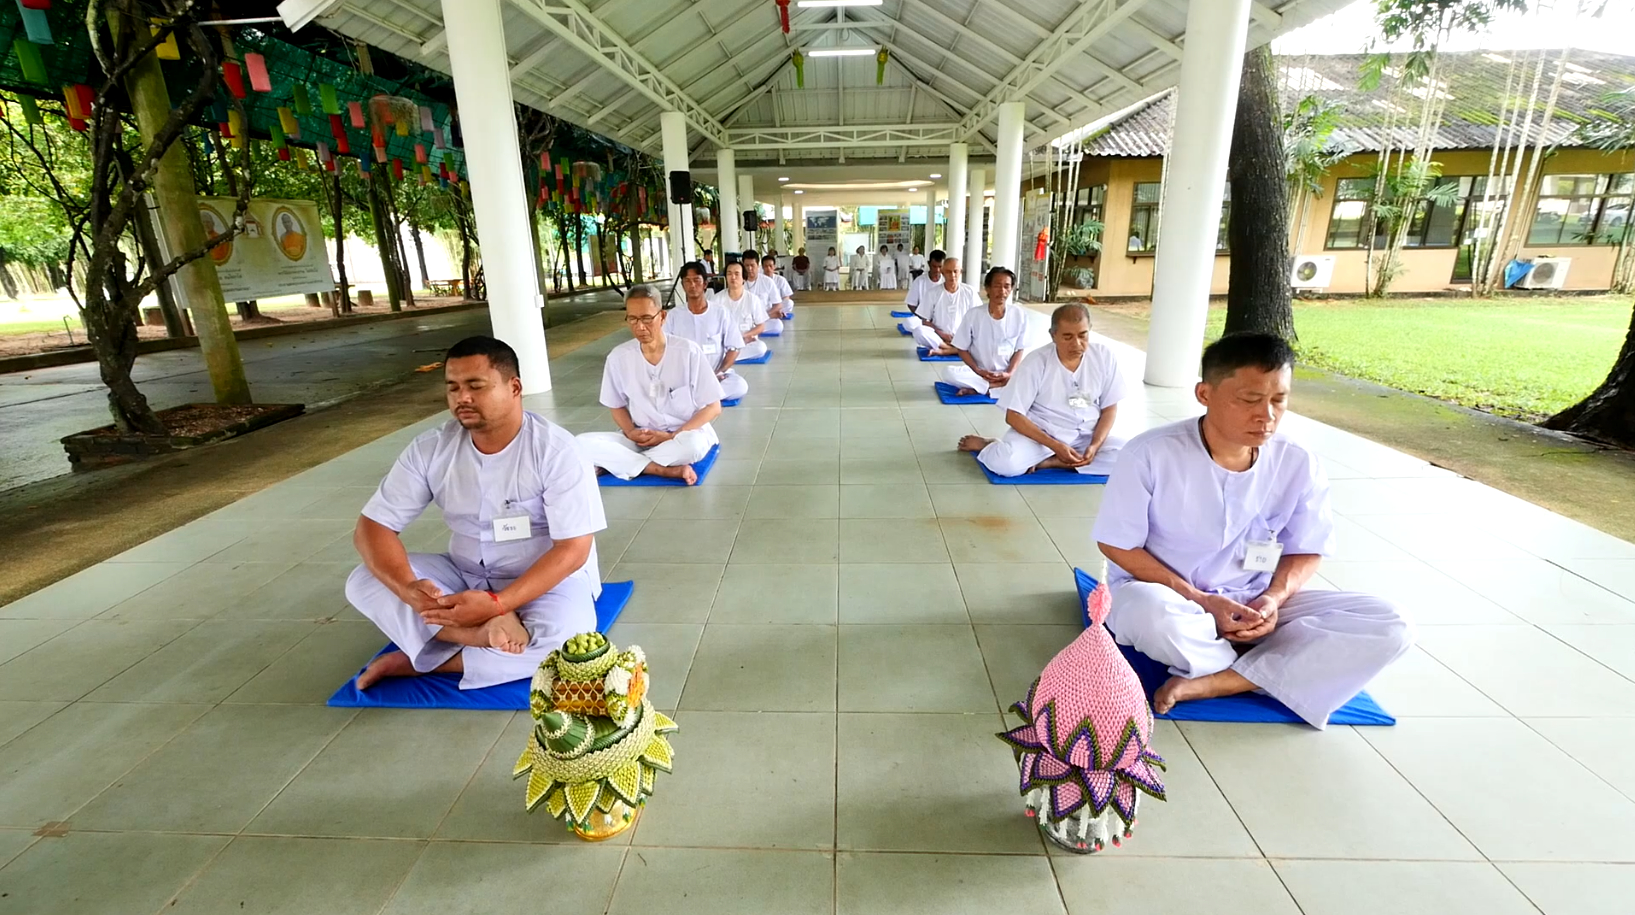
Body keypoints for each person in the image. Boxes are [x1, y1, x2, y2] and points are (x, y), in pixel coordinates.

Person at [1092, 333, 1414, 728]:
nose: (1267, 415)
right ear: (1204, 394)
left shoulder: (1297, 461)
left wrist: (1274, 599)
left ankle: (1223, 679)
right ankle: (1270, 670)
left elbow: (1307, 546)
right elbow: (1116, 543)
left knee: (1390, 623)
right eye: (1249, 400)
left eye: (1279, 400)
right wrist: (1201, 599)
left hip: (1255, 603)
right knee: (1152, 617)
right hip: (1173, 598)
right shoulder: (1150, 454)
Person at [345, 335, 604, 691]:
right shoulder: (431, 448)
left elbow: (573, 550)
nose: (461, 398)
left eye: (475, 386)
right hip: (464, 574)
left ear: (514, 388)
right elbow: (372, 528)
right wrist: (409, 589)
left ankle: (425, 661)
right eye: (452, 388)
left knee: (567, 647)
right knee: (365, 579)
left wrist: (498, 604)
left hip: (545, 580)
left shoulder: (557, 451)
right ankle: (475, 635)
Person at [958, 303, 1128, 478]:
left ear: (1089, 330)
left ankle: (1056, 463)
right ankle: (990, 445)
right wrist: (1055, 446)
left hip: (1086, 435)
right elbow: (1013, 415)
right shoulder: (1036, 362)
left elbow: (1109, 408)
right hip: (1042, 437)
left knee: (1133, 457)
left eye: (1083, 335)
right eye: (1067, 337)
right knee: (1007, 464)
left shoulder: (1103, 356)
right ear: (1053, 335)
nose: (1077, 344)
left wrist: (1095, 445)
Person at [576, 286, 724, 486]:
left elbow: (714, 407)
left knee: (692, 447)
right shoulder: (619, 357)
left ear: (662, 316)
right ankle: (659, 469)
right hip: (641, 438)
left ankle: (617, 463)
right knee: (579, 443)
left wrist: (671, 436)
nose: (640, 327)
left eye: (646, 318)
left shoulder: (688, 352)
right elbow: (616, 405)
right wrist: (630, 431)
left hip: (682, 435)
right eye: (633, 319)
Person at [941, 266, 1030, 396]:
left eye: (1007, 286)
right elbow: (961, 348)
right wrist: (978, 371)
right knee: (948, 372)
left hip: (1007, 372)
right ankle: (994, 387)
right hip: (979, 373)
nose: (1002, 291)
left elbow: (1020, 349)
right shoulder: (974, 315)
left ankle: (984, 388)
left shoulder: (1020, 315)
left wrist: (1009, 373)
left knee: (1032, 377)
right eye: (997, 286)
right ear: (987, 288)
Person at [667, 260, 748, 402]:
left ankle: (692, 399)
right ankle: (701, 397)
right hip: (684, 377)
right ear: (682, 285)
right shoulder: (674, 315)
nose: (692, 285)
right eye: (687, 281)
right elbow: (663, 348)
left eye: (697, 280)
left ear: (705, 284)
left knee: (740, 386)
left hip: (715, 375)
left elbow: (734, 348)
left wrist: (719, 372)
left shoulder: (720, 312)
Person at [910, 255, 980, 354]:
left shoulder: (970, 292)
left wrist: (964, 335)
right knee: (919, 331)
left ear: (961, 272)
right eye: (948, 272)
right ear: (942, 273)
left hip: (964, 337)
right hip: (940, 337)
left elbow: (978, 318)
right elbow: (925, 321)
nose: (952, 275)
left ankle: (946, 351)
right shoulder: (933, 293)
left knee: (985, 334)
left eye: (955, 271)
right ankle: (948, 347)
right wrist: (942, 334)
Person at [708, 261, 771, 361]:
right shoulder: (716, 300)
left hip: (745, 341)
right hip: (724, 342)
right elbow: (710, 325)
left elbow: (761, 326)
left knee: (760, 348)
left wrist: (743, 336)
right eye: (729, 274)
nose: (733, 277)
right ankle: (726, 356)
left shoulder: (753, 299)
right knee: (709, 347)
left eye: (737, 274)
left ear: (744, 278)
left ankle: (725, 358)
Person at [738, 251, 785, 334]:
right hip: (744, 320)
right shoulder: (738, 281)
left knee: (778, 325)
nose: (749, 269)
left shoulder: (768, 281)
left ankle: (749, 333)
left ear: (758, 265)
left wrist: (764, 316)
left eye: (752, 265)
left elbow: (778, 304)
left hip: (763, 318)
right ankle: (751, 332)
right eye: (746, 266)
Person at [899, 249, 946, 326]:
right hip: (924, 318)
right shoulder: (919, 281)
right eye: (934, 266)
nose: (937, 270)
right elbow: (911, 304)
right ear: (928, 263)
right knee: (909, 323)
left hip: (942, 319)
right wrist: (923, 318)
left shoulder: (946, 281)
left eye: (940, 267)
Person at [759, 254, 796, 318]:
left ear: (774, 266)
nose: (768, 268)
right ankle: (772, 315)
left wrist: (778, 305)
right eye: (766, 266)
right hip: (764, 306)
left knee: (789, 303)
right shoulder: (759, 280)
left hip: (777, 305)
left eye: (770, 266)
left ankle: (776, 313)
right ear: (762, 267)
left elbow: (787, 296)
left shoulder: (781, 280)